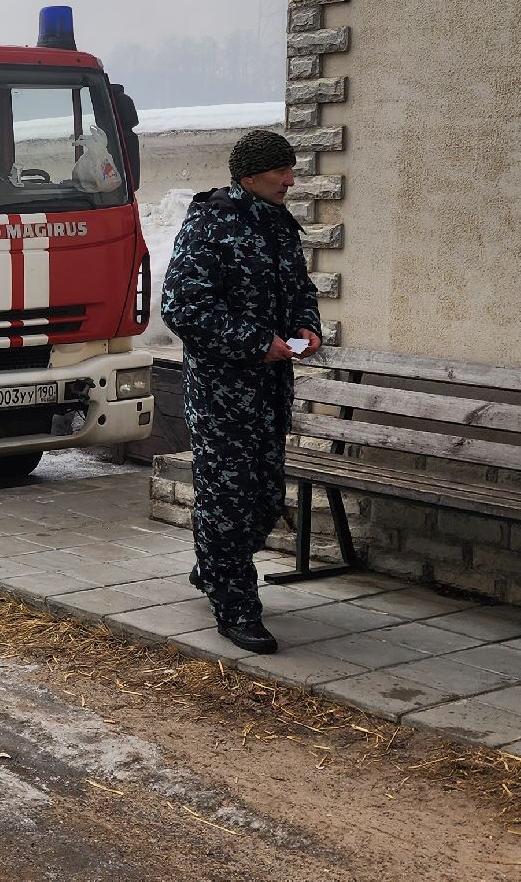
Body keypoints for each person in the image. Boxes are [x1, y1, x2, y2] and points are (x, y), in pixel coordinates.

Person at [158, 130, 324, 655]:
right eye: (281, 172)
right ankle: (236, 607)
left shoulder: (279, 225)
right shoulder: (210, 223)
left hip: (271, 389)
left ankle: (213, 565)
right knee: (228, 500)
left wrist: (306, 326)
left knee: (264, 498)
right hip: (221, 393)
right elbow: (183, 309)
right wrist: (258, 343)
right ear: (250, 175)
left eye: (291, 170)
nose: (290, 181)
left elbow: (301, 289)